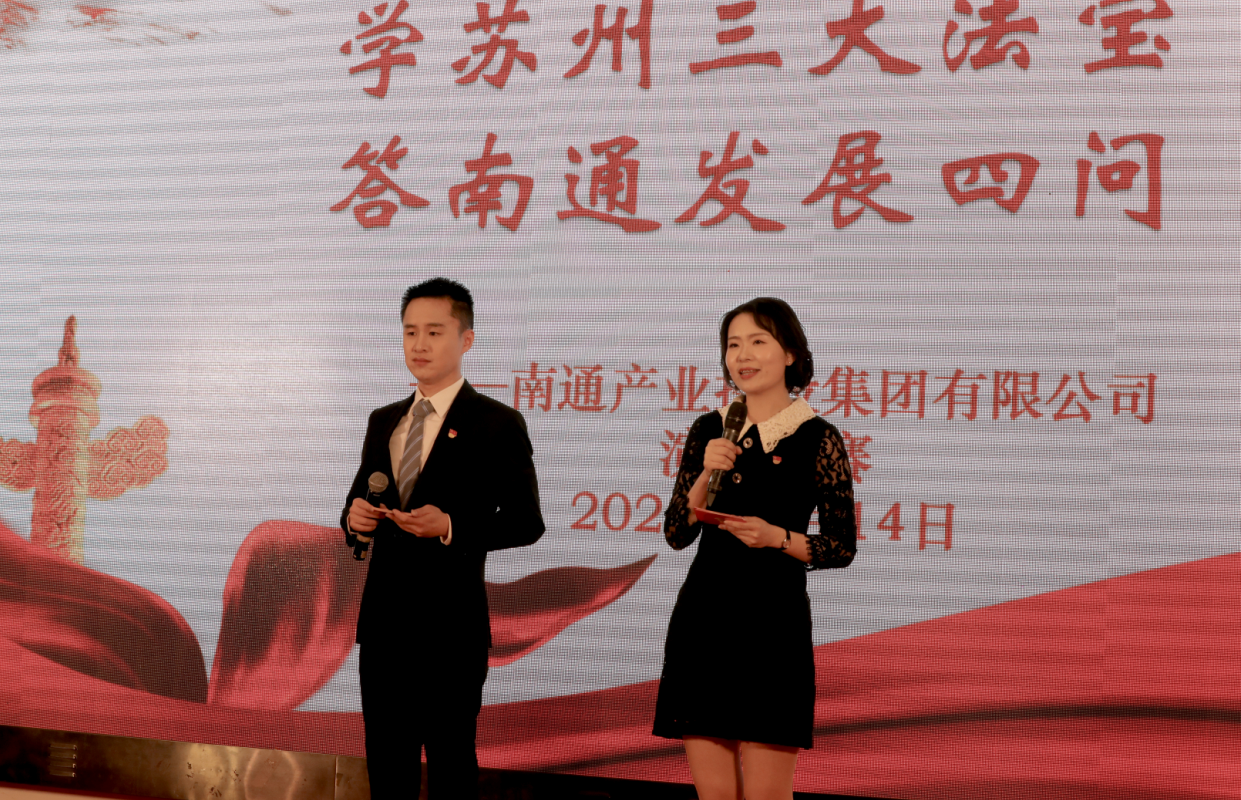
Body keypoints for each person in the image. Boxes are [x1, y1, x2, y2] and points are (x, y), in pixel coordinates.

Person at [341, 277, 545, 799]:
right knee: (388, 767)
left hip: (451, 629)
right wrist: (355, 519)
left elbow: (526, 522)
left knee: (451, 765)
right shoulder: (383, 421)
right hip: (384, 627)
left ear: (466, 339)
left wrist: (450, 527)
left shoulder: (497, 423)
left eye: (434, 332)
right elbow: (360, 498)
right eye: (410, 332)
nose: (420, 344)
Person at [653, 297, 858, 800]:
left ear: (789, 353)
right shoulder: (710, 429)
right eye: (733, 345)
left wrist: (777, 538)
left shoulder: (818, 437)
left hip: (773, 626)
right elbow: (677, 532)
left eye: (757, 342)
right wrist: (706, 471)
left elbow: (840, 546)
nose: (742, 356)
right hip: (704, 621)